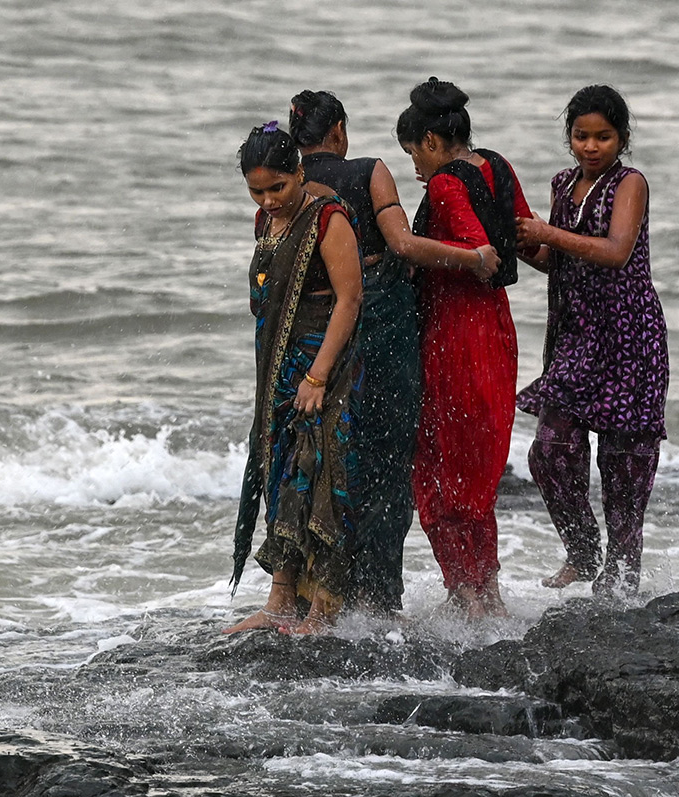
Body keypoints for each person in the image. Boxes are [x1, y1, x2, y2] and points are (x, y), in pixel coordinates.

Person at [286, 89, 499, 616]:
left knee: (327, 458)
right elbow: (402, 245)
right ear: (338, 131)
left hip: (314, 342)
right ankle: (377, 600)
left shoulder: (284, 188)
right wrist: (472, 257)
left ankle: (317, 594)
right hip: (379, 330)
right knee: (385, 459)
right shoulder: (367, 171)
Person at [515, 85, 669, 599]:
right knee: (550, 451)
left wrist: (548, 233)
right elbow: (557, 260)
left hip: (629, 335)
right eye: (581, 136)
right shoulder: (563, 185)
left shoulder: (630, 183)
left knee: (623, 467)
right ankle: (583, 553)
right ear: (569, 138)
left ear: (621, 138)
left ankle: (621, 580)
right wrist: (520, 246)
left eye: (603, 136)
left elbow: (617, 251)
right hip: (577, 336)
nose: (590, 146)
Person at [395, 77, 535, 620]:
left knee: (436, 467)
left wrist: (410, 254)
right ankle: (489, 594)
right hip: (497, 331)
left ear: (431, 141)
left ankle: (464, 596)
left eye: (413, 154)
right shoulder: (497, 165)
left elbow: (480, 251)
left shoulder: (444, 186)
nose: (414, 167)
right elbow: (524, 234)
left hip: (455, 333)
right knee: (477, 471)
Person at [224, 122, 363, 635]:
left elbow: (349, 300)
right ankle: (281, 599)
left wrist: (318, 376)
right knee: (282, 473)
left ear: (300, 172)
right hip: (277, 373)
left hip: (321, 366)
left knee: (321, 474)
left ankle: (324, 609)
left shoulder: (328, 220)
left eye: (278, 187)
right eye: (257, 190)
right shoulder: (268, 222)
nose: (268, 199)